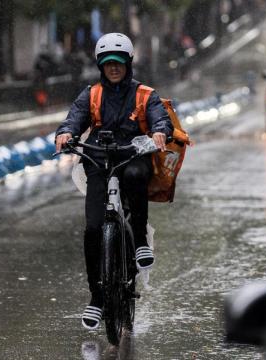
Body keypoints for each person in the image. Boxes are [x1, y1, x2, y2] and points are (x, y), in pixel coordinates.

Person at [55, 33, 173, 330]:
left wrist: (159, 131)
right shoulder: (91, 94)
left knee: (135, 175)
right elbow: (74, 118)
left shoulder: (145, 94)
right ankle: (96, 297)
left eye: (119, 63)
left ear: (128, 64)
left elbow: (161, 118)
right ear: (100, 66)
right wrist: (66, 132)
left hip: (131, 156)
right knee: (93, 228)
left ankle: (140, 243)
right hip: (98, 160)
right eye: (108, 64)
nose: (114, 68)